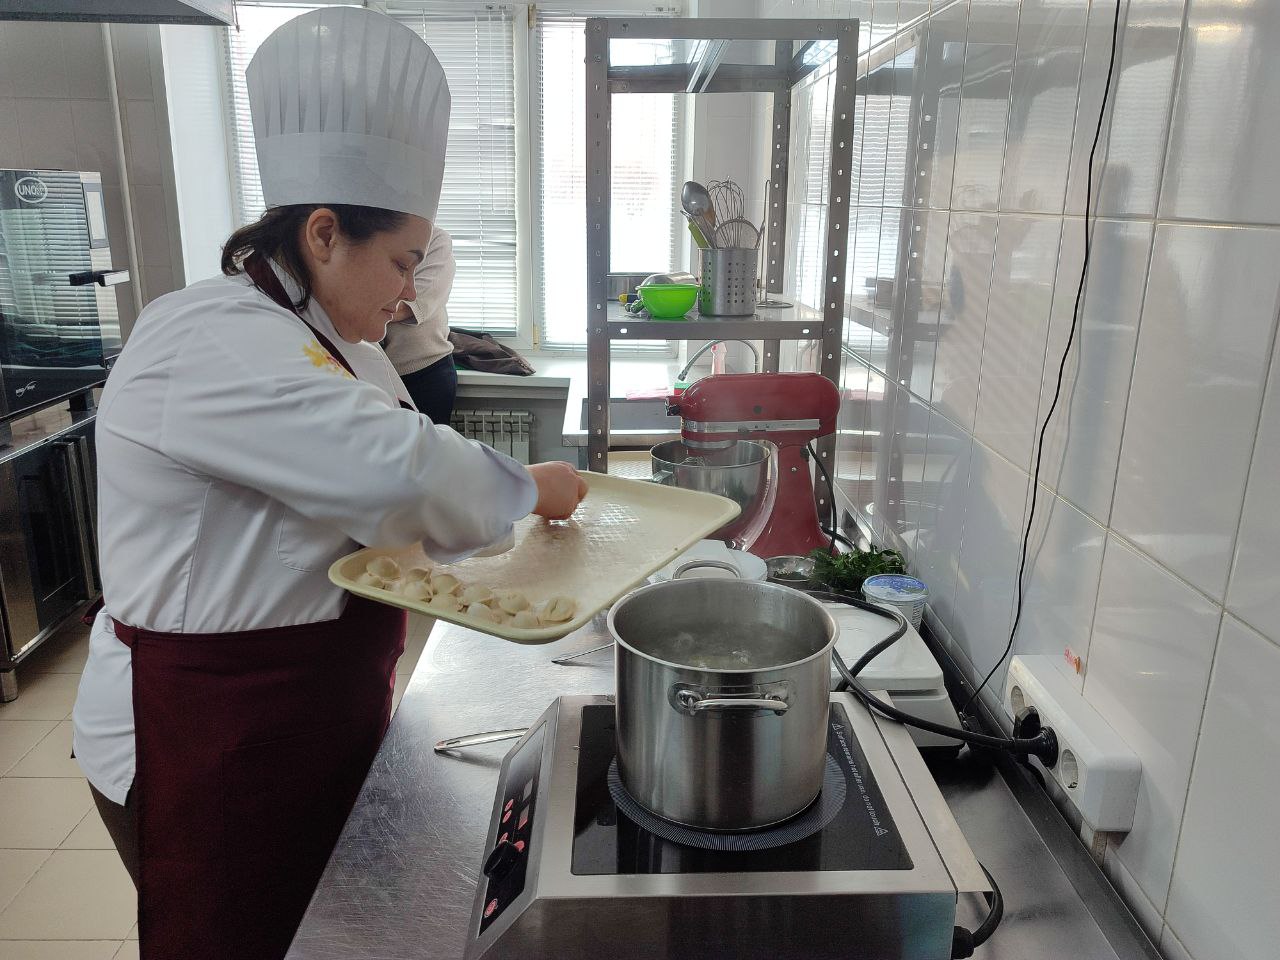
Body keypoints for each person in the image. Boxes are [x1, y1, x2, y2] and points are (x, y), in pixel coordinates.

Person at [69, 9, 586, 960]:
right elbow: (405, 473)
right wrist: (536, 485)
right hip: (204, 735)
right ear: (322, 233)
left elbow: (413, 489)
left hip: (306, 715)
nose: (410, 292)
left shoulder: (347, 350)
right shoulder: (209, 335)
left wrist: (493, 511)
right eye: (400, 263)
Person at [382, 225, 459, 424]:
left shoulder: (436, 239)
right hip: (373, 370)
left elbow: (411, 306)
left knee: (426, 443)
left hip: (424, 372)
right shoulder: (373, 235)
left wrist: (355, 306)